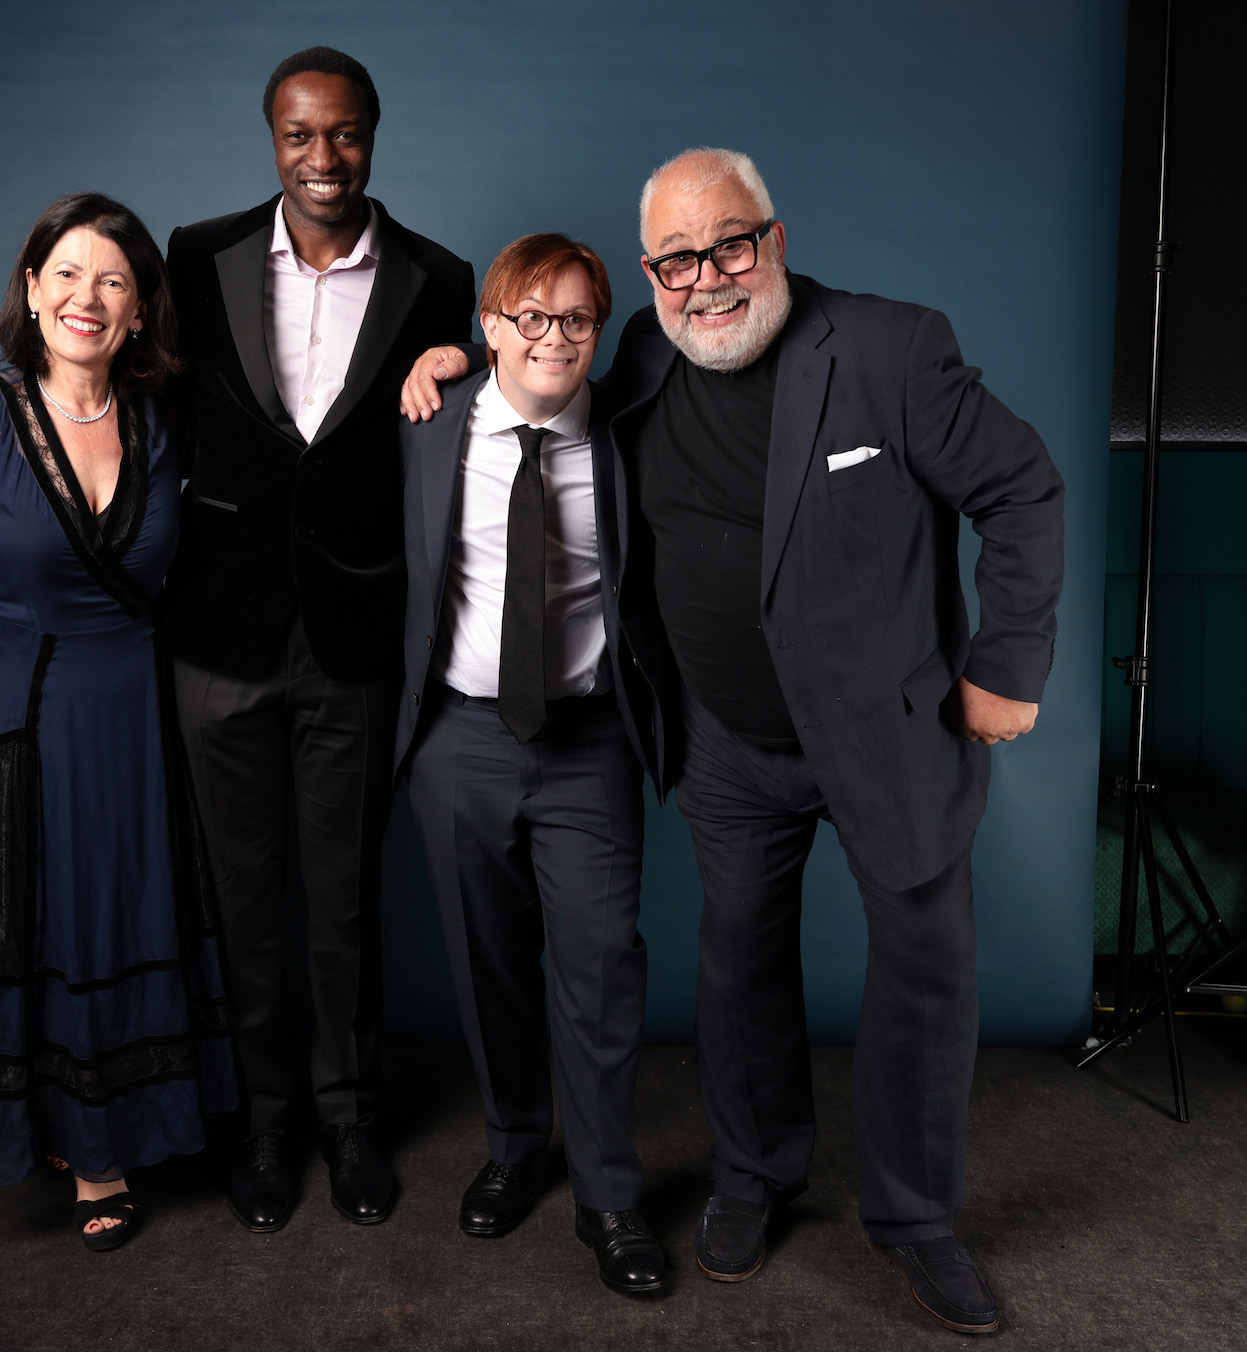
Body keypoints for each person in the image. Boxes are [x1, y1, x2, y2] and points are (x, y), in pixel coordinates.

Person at [401, 149, 1064, 1334]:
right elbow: (535, 378)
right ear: (650, 274)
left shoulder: (890, 349)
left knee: (925, 976)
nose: (705, 279)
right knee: (740, 969)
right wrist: (450, 356)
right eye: (675, 260)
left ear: (776, 238)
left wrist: (1006, 666)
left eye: (729, 245)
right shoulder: (646, 357)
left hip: (890, 735)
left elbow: (1021, 488)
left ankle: (917, 1221)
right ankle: (753, 1176)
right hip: (729, 745)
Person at [0, 193, 234, 1251]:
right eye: (67, 274)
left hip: (143, 727)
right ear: (31, 292)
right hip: (21, 730)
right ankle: (90, 1157)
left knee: (128, 925)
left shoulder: (166, 420)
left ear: (137, 312)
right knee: (52, 934)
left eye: (113, 280)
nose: (88, 296)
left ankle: (129, 1123)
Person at [160, 47, 476, 1232]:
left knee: (342, 901)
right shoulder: (198, 256)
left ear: (375, 136)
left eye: (344, 135)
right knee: (243, 897)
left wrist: (470, 355)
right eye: (301, 136)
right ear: (272, 140)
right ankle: (266, 1125)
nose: (324, 158)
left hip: (354, 628)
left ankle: (348, 1123)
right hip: (217, 629)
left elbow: (506, 387)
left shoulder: (439, 278)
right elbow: (137, 396)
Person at [393, 236, 666, 1294]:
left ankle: (607, 1191)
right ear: (492, 326)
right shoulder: (428, 424)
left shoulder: (632, 423)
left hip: (590, 740)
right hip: (459, 738)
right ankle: (515, 1146)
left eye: (578, 321)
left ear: (601, 332)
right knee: (489, 961)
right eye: (531, 318)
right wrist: (440, 359)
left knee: (600, 969)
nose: (555, 339)